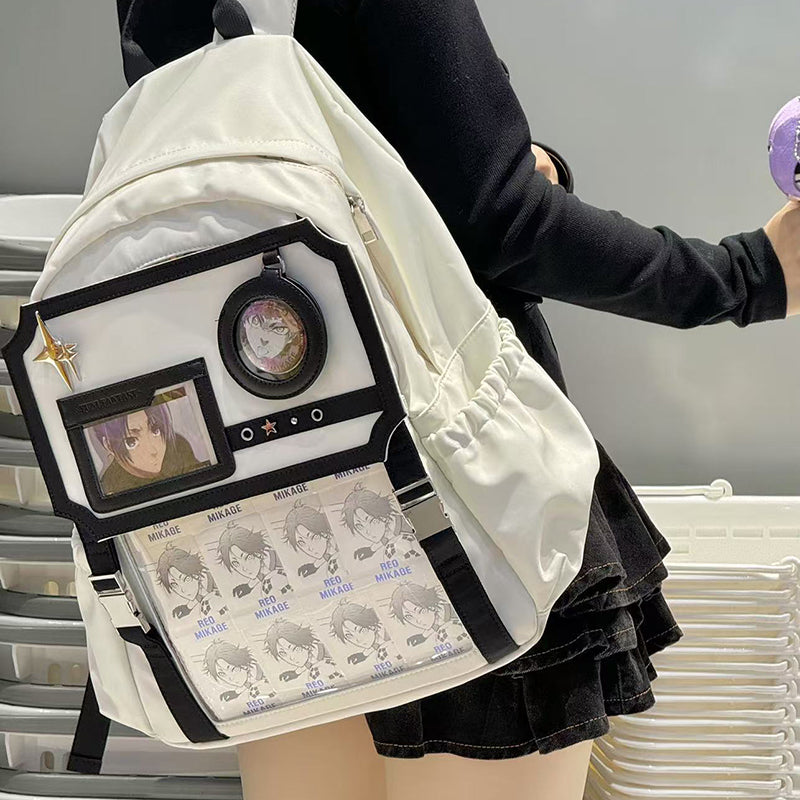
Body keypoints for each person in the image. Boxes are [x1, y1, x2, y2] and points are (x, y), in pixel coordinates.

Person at [113, 2, 800, 799]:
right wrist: (750, 275)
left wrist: (499, 168)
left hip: (256, 520)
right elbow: (501, 224)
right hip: (447, 495)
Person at [89, 404, 209, 496]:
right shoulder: (111, 486)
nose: (153, 450)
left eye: (155, 430)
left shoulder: (177, 447)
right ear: (109, 446)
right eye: (132, 442)